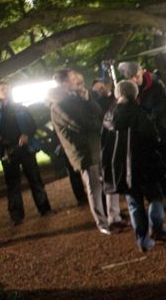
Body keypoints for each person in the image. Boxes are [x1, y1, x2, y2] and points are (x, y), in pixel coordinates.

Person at [49, 69, 126, 235]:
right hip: (84, 151)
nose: (79, 78)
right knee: (95, 188)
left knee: (110, 181)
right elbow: (83, 123)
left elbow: (99, 113)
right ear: (64, 84)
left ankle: (115, 217)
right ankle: (102, 223)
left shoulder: (81, 97)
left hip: (99, 146)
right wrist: (101, 123)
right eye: (74, 77)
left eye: (78, 75)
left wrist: (87, 100)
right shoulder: (58, 105)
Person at [102, 80, 166, 252]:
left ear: (117, 94)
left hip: (122, 169)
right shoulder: (141, 113)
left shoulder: (108, 117)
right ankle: (158, 227)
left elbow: (104, 145)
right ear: (135, 94)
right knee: (155, 197)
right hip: (145, 163)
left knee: (134, 204)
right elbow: (152, 137)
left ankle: (143, 240)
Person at [0, 81, 52, 225]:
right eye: (3, 89)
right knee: (13, 184)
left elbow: (32, 126)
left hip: (25, 149)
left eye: (8, 88)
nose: (6, 91)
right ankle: (16, 216)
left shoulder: (20, 107)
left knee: (35, 179)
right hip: (6, 151)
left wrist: (26, 134)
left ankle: (44, 208)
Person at [117, 62, 166, 198]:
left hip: (161, 129)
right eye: (132, 78)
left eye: (137, 76)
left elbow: (165, 104)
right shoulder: (130, 90)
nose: (135, 80)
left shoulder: (156, 85)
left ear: (142, 72)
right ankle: (163, 193)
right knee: (155, 165)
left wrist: (150, 116)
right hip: (146, 135)